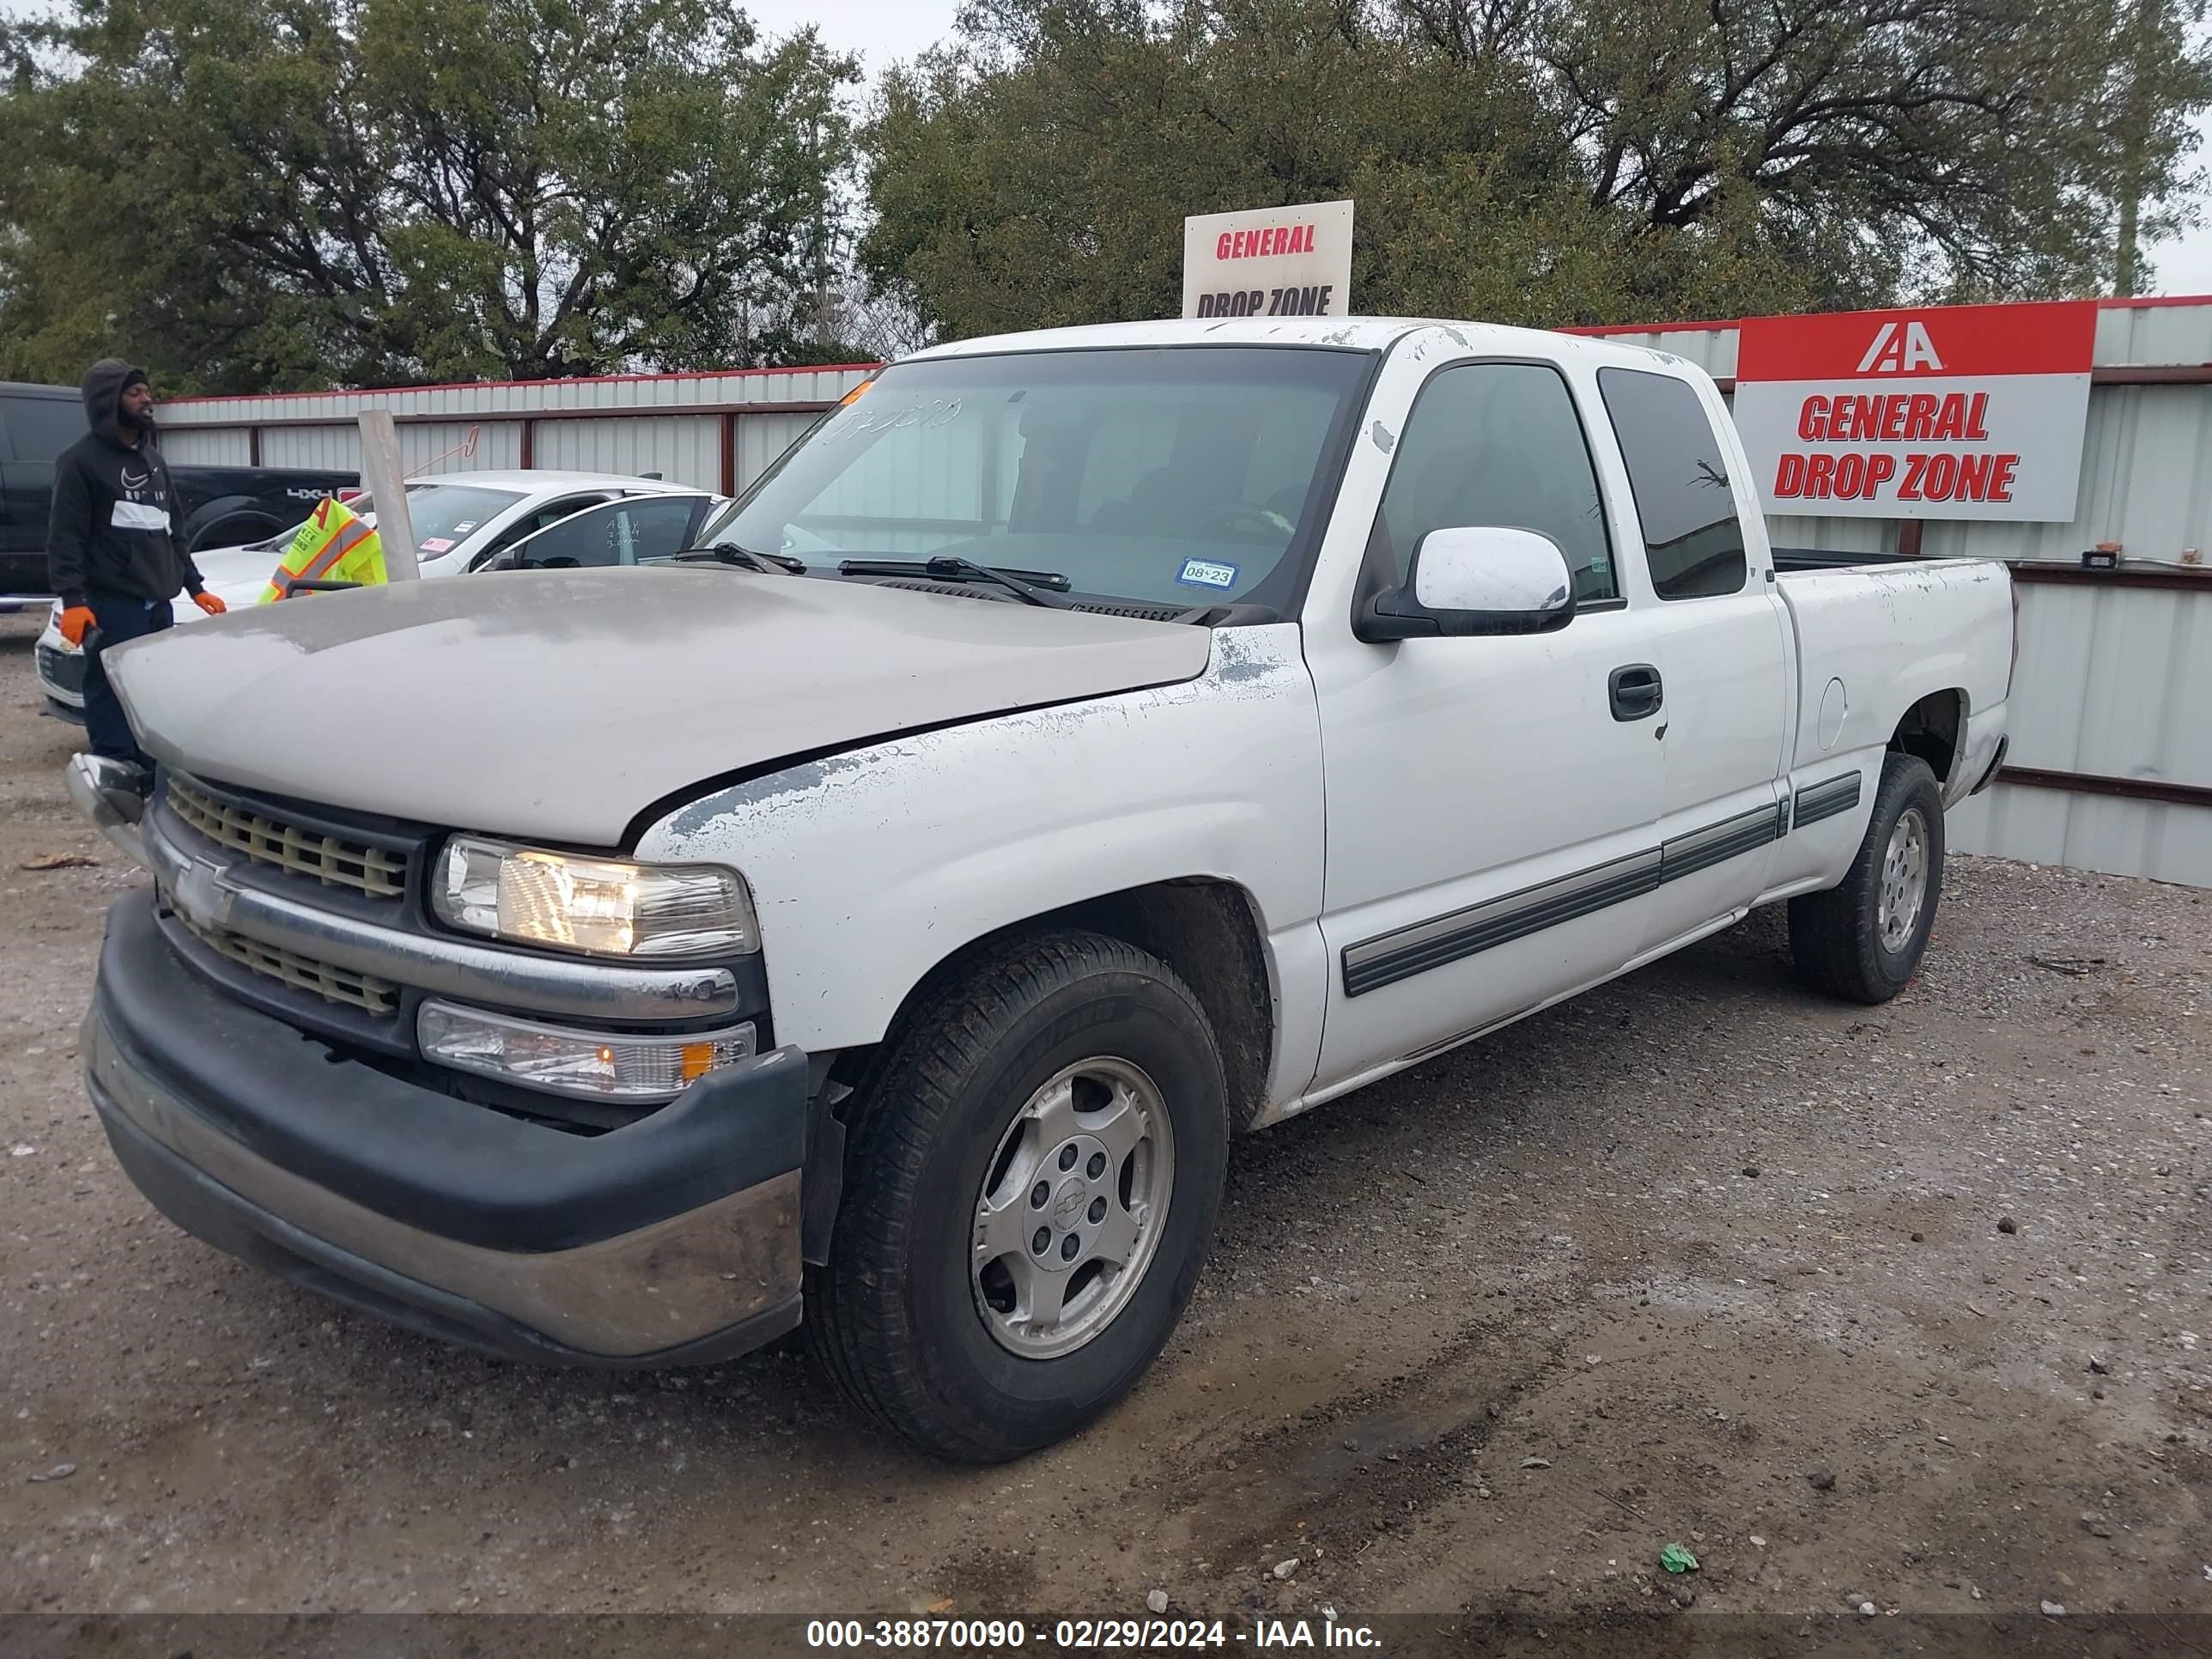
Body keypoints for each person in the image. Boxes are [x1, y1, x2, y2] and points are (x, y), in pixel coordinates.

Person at [46, 360, 227, 772]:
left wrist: (194, 586)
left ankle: (153, 767)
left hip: (157, 604)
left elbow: (171, 530)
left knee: (154, 689)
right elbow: (64, 538)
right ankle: (114, 766)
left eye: (147, 391)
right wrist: (73, 599)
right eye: (134, 393)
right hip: (114, 605)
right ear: (108, 402)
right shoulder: (80, 462)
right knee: (111, 688)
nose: (147, 399)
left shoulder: (154, 462)